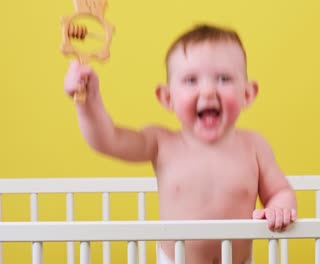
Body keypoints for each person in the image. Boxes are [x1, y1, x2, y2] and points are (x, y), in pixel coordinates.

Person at [64, 23, 297, 264]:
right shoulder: (160, 143)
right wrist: (87, 102)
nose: (207, 90)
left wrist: (278, 208)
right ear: (167, 98)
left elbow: (280, 190)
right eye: (191, 80)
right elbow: (108, 140)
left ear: (247, 94)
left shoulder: (254, 146)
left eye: (223, 78)